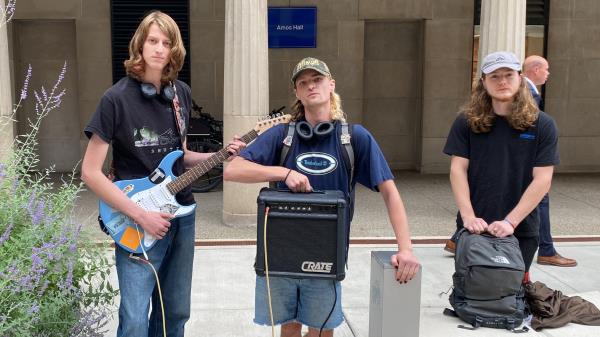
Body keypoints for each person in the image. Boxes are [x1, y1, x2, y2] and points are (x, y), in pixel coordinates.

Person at [223, 57, 420, 337]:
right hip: (281, 255)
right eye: (303, 82)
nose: (310, 86)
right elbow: (233, 170)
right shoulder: (282, 136)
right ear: (297, 93)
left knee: (322, 331)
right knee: (289, 331)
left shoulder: (354, 139)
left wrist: (406, 248)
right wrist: (283, 173)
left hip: (326, 255)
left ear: (331, 85)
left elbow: (390, 192)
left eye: (317, 80)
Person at [81, 11, 244, 337]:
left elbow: (178, 156)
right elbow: (90, 173)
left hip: (181, 214)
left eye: (166, 42)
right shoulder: (115, 100)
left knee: (175, 314)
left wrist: (218, 155)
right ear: (139, 46)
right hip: (136, 219)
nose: (158, 48)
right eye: (152, 41)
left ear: (174, 50)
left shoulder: (179, 95)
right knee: (136, 319)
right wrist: (141, 215)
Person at [443, 51, 559, 281]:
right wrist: (468, 217)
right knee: (475, 291)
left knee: (510, 294)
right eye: (494, 76)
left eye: (508, 75)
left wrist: (510, 221)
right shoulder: (466, 121)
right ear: (483, 82)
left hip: (521, 228)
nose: (502, 81)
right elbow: (458, 169)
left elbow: (543, 179)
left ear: (520, 78)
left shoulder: (542, 125)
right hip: (474, 225)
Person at [523, 55, 577, 267]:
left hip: (525, 160)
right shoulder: (527, 92)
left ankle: (456, 239)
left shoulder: (526, 90)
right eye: (546, 69)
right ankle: (546, 250)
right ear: (535, 69)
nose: (548, 74)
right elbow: (528, 128)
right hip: (529, 161)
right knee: (540, 198)